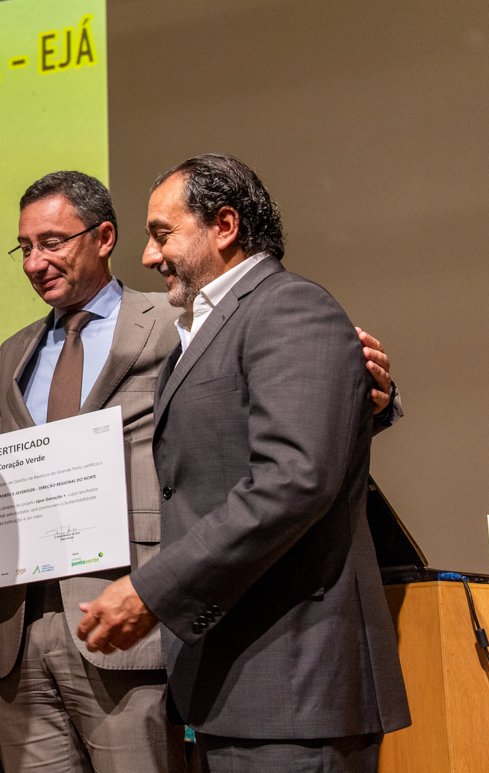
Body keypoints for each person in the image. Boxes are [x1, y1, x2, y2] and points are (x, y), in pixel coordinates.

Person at [0, 172, 398, 772]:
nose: (35, 262)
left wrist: (375, 397)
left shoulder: (183, 317)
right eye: (25, 247)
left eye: (52, 243)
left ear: (102, 237)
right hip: (20, 633)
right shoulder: (15, 351)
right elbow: (20, 479)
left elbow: (288, 416)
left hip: (134, 620)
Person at [76, 154, 411, 772]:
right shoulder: (205, 329)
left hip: (294, 682)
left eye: (162, 234)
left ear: (225, 226)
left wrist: (152, 591)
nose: (148, 256)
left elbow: (293, 479)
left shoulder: (289, 307)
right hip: (236, 685)